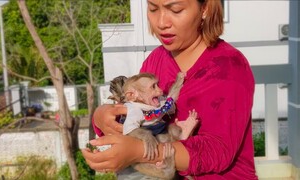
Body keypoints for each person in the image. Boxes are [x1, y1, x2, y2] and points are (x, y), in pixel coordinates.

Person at [82, 0, 258, 179]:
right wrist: (102, 116)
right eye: (153, 9)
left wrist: (140, 151)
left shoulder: (229, 66)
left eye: (175, 10)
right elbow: (138, 116)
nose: (161, 23)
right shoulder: (156, 59)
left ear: (204, 8)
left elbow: (218, 150)